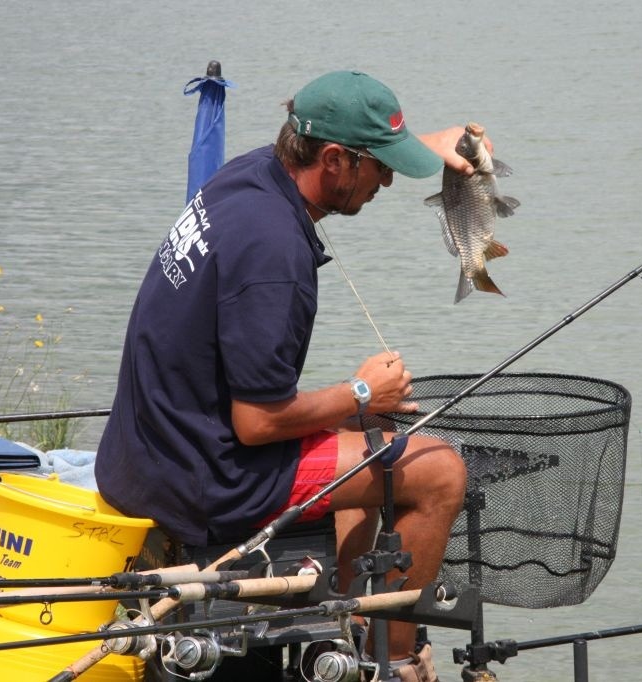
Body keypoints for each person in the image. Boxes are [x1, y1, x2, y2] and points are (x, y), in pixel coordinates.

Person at [96, 70, 471, 682]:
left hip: (143, 449)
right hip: (203, 476)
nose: (389, 180)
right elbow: (258, 423)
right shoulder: (276, 256)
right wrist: (359, 393)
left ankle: (351, 623)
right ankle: (397, 662)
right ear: (334, 160)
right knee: (437, 472)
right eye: (380, 166)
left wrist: (430, 143)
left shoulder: (249, 176)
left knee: (368, 437)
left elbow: (262, 408)